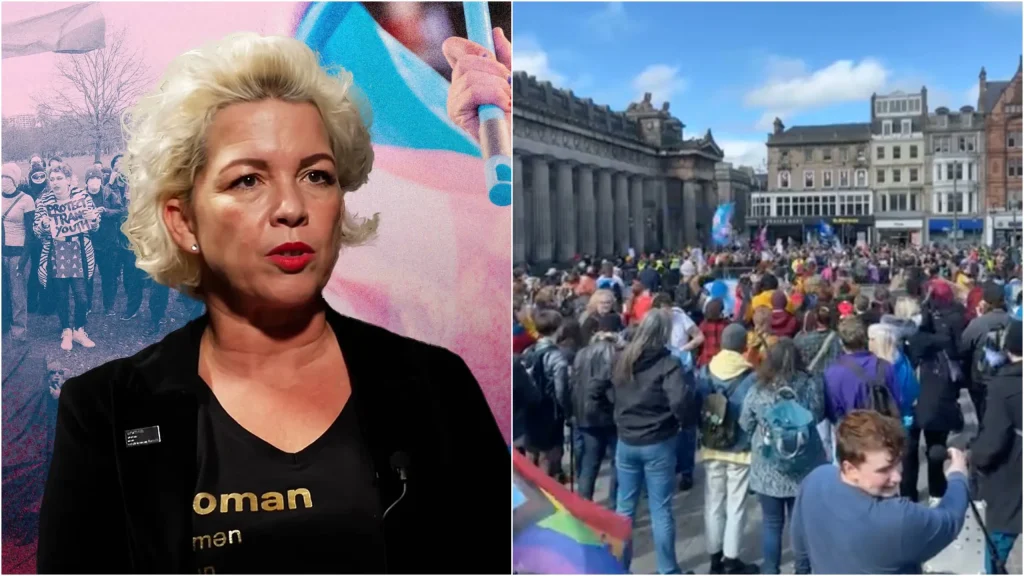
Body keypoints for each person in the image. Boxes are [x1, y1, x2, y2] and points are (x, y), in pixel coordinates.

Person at [38, 32, 508, 573]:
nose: (291, 207)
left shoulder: (436, 386)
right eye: (247, 180)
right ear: (183, 220)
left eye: (316, 175)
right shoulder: (105, 411)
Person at [791, 410, 970, 574]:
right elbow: (950, 520)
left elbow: (799, 544)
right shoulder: (897, 519)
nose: (897, 477)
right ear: (850, 469)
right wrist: (958, 475)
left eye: (897, 462)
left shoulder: (815, 478)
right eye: (883, 469)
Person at [613, 310, 695, 575]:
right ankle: (667, 569)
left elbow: (606, 389)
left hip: (626, 439)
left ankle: (619, 566)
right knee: (660, 509)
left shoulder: (622, 358)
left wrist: (619, 415)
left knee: (624, 508)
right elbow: (680, 400)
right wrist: (683, 421)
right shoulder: (667, 363)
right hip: (658, 440)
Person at [739, 338, 825, 575]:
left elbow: (745, 422)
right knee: (801, 525)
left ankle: (770, 570)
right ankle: (803, 569)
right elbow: (817, 415)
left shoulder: (759, 387)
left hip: (769, 468)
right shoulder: (809, 384)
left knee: (771, 523)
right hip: (805, 465)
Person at [697, 323, 759, 574]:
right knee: (736, 504)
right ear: (744, 345)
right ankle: (732, 560)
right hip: (740, 449)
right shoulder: (751, 376)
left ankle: (714, 557)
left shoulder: (705, 371)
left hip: (711, 445)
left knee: (713, 502)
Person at [969, 318, 1022, 574]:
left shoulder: (1004, 386)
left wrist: (972, 457)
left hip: (1013, 483)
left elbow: (992, 444)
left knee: (999, 550)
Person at [32, 164, 101, 351]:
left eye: (59, 178)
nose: (55, 182)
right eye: (52, 179)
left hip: (79, 251)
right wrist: (44, 225)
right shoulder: (44, 201)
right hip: (56, 252)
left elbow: (95, 226)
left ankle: (79, 329)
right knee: (61, 296)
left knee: (82, 296)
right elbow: (36, 230)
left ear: (69, 179)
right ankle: (66, 330)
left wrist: (92, 218)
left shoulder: (82, 196)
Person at [571, 313, 622, 506]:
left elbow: (574, 383)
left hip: (586, 414)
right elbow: (614, 383)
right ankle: (615, 504)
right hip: (609, 413)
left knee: (589, 462)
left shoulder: (582, 352)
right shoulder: (616, 352)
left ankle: (584, 505)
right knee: (617, 462)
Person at [2, 162, 35, 343]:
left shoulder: (26, 200)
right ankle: (4, 328)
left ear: (14, 180)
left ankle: (19, 332)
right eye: (1, 177)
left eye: (7, 177)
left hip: (18, 254)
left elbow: (30, 234)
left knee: (18, 295)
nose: (3, 181)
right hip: (1, 253)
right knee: (3, 294)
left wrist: (23, 260)